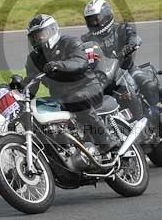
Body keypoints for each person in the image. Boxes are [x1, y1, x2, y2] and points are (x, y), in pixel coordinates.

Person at [24, 14, 118, 154]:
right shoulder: (34, 58)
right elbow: (32, 80)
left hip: (87, 87)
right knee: (39, 109)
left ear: (52, 30)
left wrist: (59, 65)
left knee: (76, 98)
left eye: (40, 34)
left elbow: (80, 63)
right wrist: (19, 89)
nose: (38, 39)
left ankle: (106, 139)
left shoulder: (69, 42)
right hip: (61, 96)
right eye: (34, 37)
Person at [81, 0, 162, 137]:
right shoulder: (86, 39)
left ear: (107, 15)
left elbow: (134, 37)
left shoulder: (122, 28)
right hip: (103, 77)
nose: (94, 23)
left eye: (96, 19)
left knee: (147, 83)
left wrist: (129, 46)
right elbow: (79, 53)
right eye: (90, 20)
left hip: (127, 69)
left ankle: (161, 113)